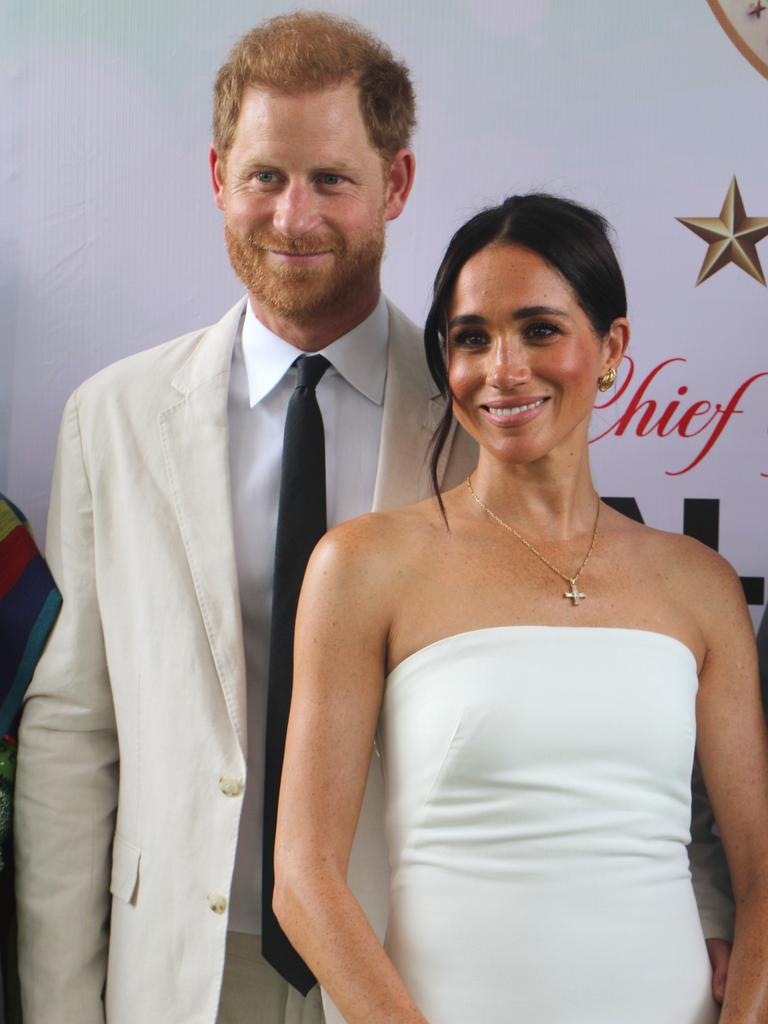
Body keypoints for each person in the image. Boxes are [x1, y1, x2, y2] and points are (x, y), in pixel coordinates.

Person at [12, 12, 480, 1024]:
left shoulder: (481, 419)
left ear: (396, 185)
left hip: (408, 964)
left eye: (332, 180)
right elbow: (71, 737)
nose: (292, 216)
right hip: (182, 964)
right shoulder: (115, 417)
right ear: (218, 173)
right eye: (265, 176)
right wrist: (57, 1002)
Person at [273, 195, 768, 1023]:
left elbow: (759, 878)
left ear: (611, 348)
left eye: (540, 329)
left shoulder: (699, 586)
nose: (502, 368)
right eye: (472, 337)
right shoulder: (363, 566)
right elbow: (303, 877)